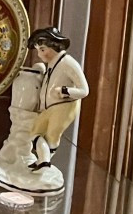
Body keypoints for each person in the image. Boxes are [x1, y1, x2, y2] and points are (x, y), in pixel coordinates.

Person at [26, 26, 89, 170]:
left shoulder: (68, 63)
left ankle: (44, 163)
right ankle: (43, 161)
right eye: (38, 50)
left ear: (54, 46)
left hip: (64, 106)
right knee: (34, 133)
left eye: (42, 50)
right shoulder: (52, 64)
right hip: (49, 108)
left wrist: (64, 90)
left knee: (52, 137)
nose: (40, 55)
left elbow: (84, 90)